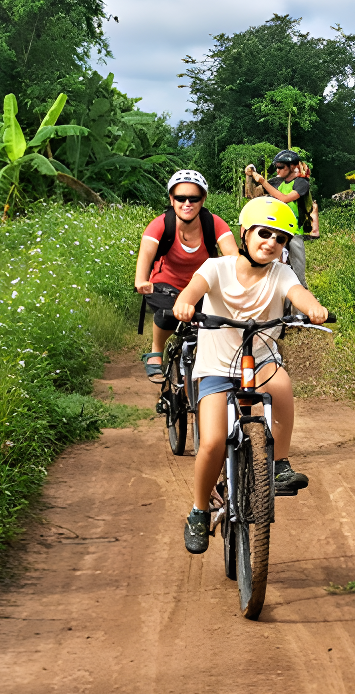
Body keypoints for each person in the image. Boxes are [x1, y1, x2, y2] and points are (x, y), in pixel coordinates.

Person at [172, 196, 328, 554]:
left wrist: (313, 308)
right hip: (216, 367)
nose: (271, 242)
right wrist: (185, 303)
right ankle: (198, 511)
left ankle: (279, 463)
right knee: (211, 442)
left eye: (280, 239)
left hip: (260, 360)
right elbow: (193, 290)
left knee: (282, 384)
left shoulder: (281, 272)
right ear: (245, 233)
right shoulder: (216, 268)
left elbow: (298, 293)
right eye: (264, 233)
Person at [134, 170, 236, 381]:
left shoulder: (214, 223)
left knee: (216, 322)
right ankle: (156, 351)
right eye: (180, 198)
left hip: (202, 286)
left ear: (203, 199)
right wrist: (142, 281)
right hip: (166, 285)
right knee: (167, 315)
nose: (187, 203)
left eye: (194, 198)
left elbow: (233, 258)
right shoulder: (161, 224)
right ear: (172, 199)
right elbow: (146, 255)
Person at [247, 149, 311, 284]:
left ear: (293, 167)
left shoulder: (301, 183)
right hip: (275, 229)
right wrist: (250, 175)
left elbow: (285, 198)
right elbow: (252, 194)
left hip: (293, 231)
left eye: (281, 167)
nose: (278, 170)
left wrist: (264, 182)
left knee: (298, 273)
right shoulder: (277, 182)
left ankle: (301, 297)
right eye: (276, 167)